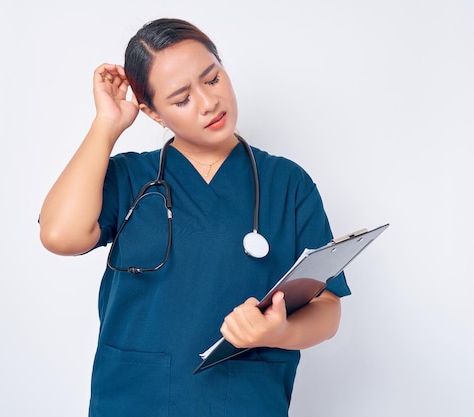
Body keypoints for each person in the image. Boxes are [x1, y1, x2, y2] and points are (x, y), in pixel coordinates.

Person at [39, 17, 350, 417]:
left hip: (243, 402)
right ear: (152, 112)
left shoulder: (288, 184)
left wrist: (281, 331)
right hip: (133, 400)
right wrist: (106, 125)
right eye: (182, 99)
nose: (208, 103)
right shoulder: (131, 177)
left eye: (212, 79)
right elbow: (60, 235)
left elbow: (327, 308)